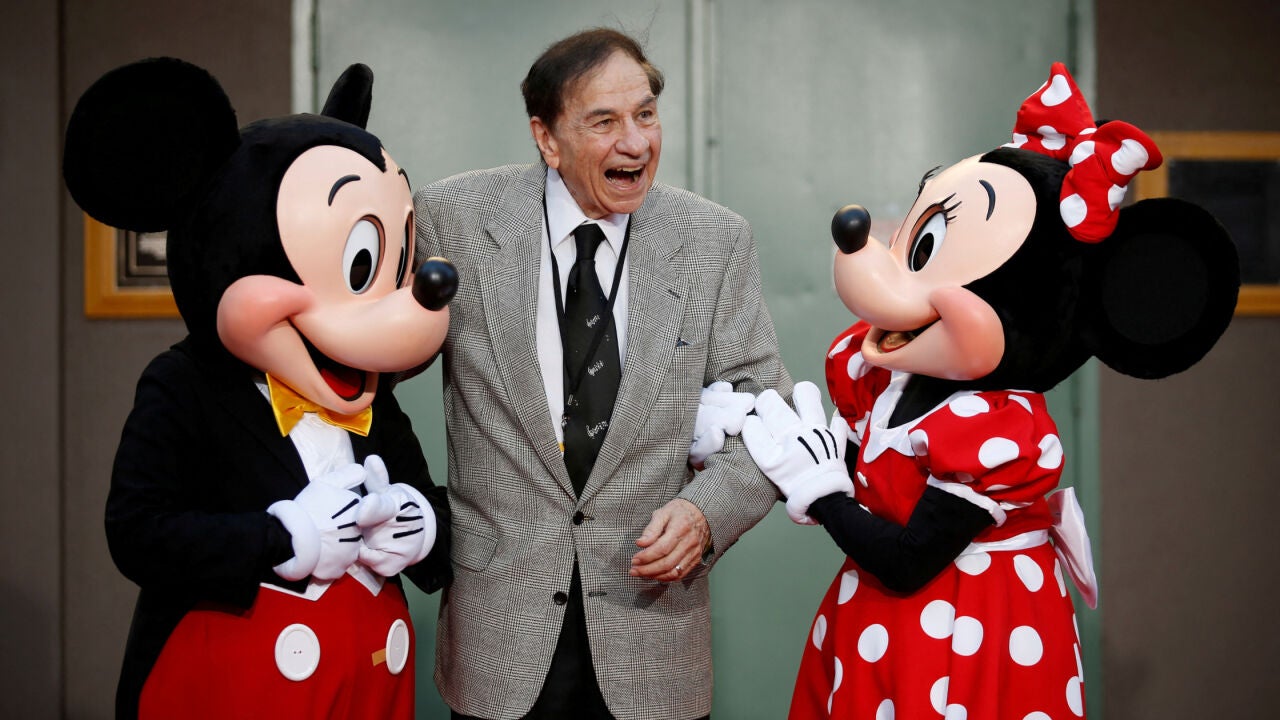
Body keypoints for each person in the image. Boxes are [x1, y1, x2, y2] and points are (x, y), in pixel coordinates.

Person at [414, 27, 791, 720]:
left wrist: (706, 515)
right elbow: (370, 369)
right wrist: (420, 520)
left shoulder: (714, 241)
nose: (636, 142)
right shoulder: (454, 220)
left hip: (654, 639)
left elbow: (769, 413)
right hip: (498, 638)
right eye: (605, 122)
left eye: (646, 114)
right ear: (547, 138)